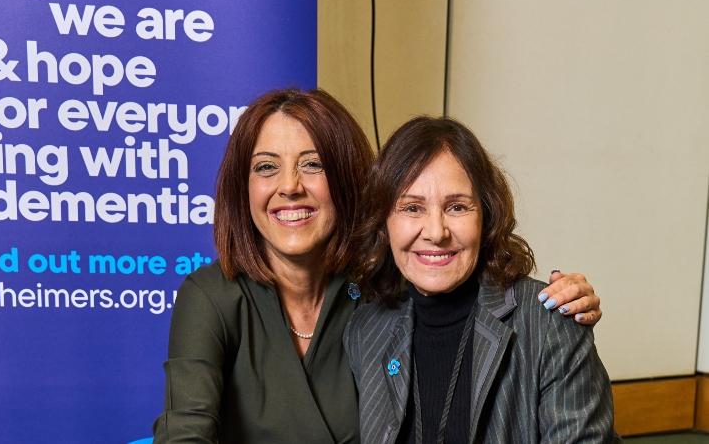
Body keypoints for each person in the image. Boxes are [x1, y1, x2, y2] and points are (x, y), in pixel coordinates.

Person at [153, 89, 603, 444]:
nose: (290, 186)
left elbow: (465, 280)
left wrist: (562, 301)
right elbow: (184, 431)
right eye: (266, 167)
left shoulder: (374, 289)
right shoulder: (216, 296)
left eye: (313, 165)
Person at [344, 116, 617, 443]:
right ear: (384, 221)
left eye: (457, 207)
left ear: (486, 216)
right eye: (412, 208)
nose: (435, 232)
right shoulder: (365, 331)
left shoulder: (550, 323)